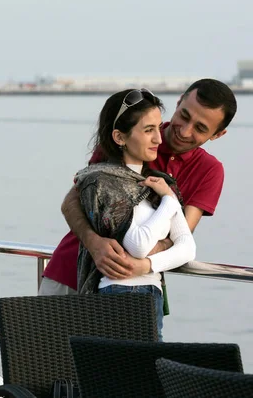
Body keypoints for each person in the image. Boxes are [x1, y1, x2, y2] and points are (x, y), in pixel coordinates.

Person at [40, 79, 237, 296]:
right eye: (184, 115)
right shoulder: (128, 132)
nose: (185, 131)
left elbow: (180, 237)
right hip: (68, 271)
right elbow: (73, 201)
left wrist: (140, 263)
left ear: (218, 134)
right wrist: (93, 243)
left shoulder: (209, 170)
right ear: (179, 102)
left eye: (200, 128)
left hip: (130, 289)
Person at [72, 89, 196, 339]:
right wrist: (169, 203)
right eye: (148, 130)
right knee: (133, 375)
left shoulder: (160, 183)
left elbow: (187, 249)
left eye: (158, 128)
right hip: (120, 295)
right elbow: (138, 244)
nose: (159, 140)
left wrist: (146, 266)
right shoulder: (101, 182)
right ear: (119, 136)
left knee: (143, 374)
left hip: (151, 295)